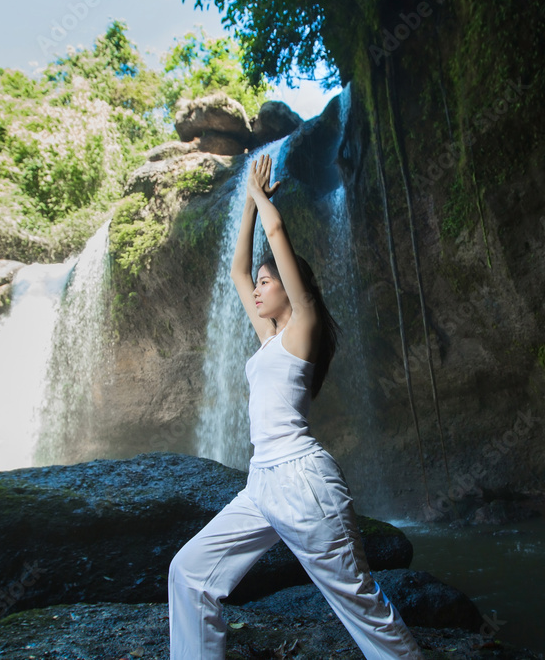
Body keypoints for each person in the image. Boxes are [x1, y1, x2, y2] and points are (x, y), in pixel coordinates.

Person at [168, 154, 425, 659]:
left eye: (269, 282)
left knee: (361, 604)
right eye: (261, 284)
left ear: (292, 289)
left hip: (303, 483)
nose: (258, 289)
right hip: (261, 482)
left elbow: (278, 231)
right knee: (190, 571)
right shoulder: (269, 337)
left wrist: (264, 200)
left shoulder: (302, 329)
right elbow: (238, 271)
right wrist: (246, 203)